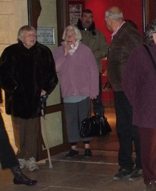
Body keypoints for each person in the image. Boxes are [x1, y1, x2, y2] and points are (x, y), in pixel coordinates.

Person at [122, 19, 156, 191]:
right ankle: (150, 178)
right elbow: (128, 82)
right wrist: (137, 103)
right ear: (151, 35)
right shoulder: (139, 53)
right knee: (148, 147)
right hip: (146, 109)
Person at [0, 25, 58, 172]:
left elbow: (51, 74)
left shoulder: (43, 52)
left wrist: (45, 88)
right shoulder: (10, 52)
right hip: (17, 100)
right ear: (21, 37)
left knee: (32, 131)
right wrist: (13, 88)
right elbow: (3, 74)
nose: (33, 37)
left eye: (34, 35)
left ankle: (30, 158)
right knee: (20, 131)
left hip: (34, 99)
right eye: (29, 35)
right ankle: (20, 157)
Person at [105, 7, 143, 181]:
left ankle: (141, 165)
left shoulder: (129, 34)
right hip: (120, 90)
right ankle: (125, 164)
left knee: (135, 128)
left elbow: (141, 61)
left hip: (130, 90)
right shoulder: (118, 35)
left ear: (109, 19)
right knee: (123, 129)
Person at [54, 25, 99, 159]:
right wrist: (65, 54)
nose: (69, 38)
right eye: (67, 35)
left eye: (72, 35)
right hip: (68, 92)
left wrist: (94, 90)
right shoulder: (59, 51)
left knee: (84, 120)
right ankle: (73, 147)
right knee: (71, 120)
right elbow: (56, 68)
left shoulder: (85, 50)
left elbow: (94, 71)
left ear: (77, 36)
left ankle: (87, 146)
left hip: (84, 91)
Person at [77, 9, 109, 117]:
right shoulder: (74, 33)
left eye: (90, 17)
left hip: (94, 72)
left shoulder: (98, 34)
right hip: (78, 72)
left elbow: (105, 49)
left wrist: (92, 55)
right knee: (80, 100)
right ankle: (83, 124)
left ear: (92, 19)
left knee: (97, 100)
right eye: (85, 16)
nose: (87, 19)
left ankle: (100, 125)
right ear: (81, 18)